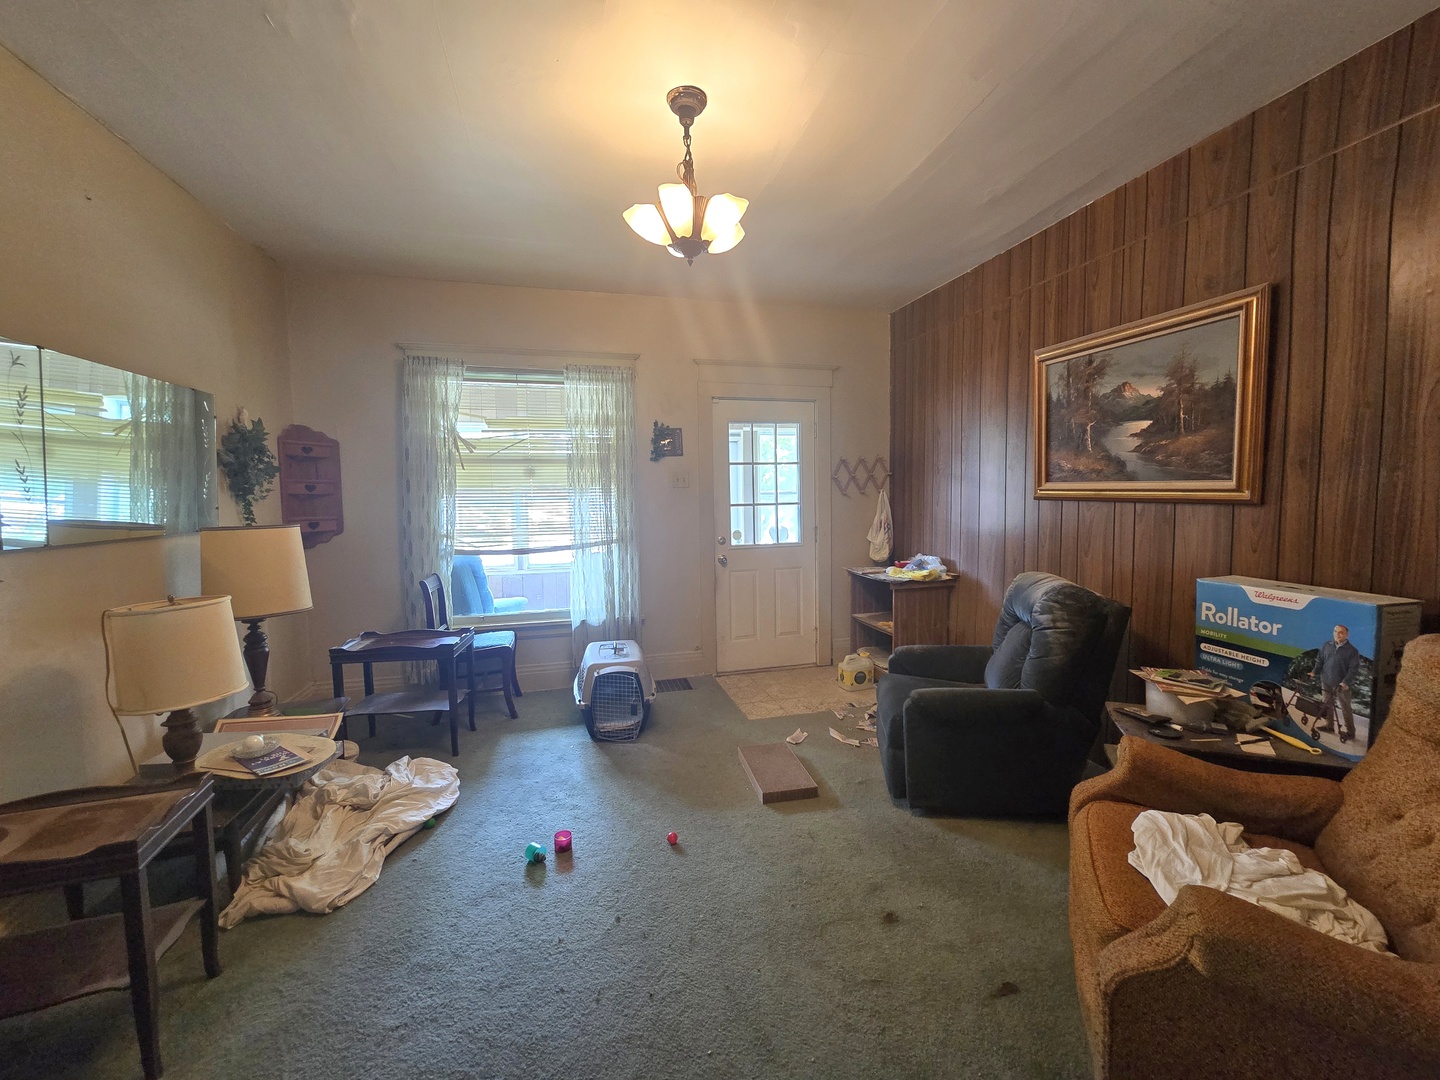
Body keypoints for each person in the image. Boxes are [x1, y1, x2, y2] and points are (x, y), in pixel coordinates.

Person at [1312, 624, 1361, 742]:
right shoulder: (1326, 645)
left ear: (1346, 634)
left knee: (1345, 707)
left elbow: (1353, 669)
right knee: (1327, 704)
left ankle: (1350, 732)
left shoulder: (1352, 651)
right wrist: (1314, 672)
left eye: (1341, 632)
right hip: (1326, 680)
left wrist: (1345, 682)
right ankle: (1329, 726)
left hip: (1341, 684)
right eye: (1335, 631)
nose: (1337, 634)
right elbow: (1320, 661)